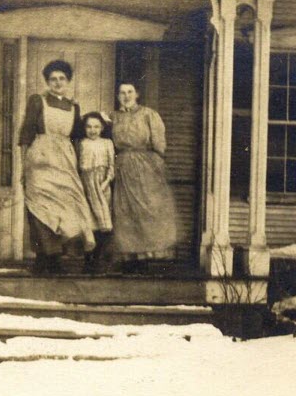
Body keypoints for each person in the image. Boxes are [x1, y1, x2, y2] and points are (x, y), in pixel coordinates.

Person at [18, 59, 95, 275]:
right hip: (40, 159)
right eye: (53, 79)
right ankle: (44, 258)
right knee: (40, 208)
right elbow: (26, 134)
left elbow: (80, 136)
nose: (58, 82)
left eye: (62, 78)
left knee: (66, 207)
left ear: (68, 81)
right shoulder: (37, 101)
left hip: (65, 161)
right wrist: (24, 166)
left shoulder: (74, 107)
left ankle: (59, 255)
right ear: (47, 82)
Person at [111, 82, 177, 273]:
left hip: (145, 166)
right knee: (123, 212)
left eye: (130, 92)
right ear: (117, 96)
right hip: (121, 166)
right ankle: (128, 259)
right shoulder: (112, 117)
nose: (126, 96)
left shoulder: (149, 114)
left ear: (137, 94)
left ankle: (144, 258)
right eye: (122, 92)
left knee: (146, 210)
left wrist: (154, 167)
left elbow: (159, 145)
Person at [78, 112, 115, 273]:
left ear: (102, 128)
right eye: (89, 127)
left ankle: (98, 258)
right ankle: (88, 260)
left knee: (103, 223)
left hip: (102, 185)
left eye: (96, 127)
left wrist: (105, 183)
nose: (92, 130)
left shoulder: (107, 143)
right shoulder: (81, 143)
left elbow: (112, 167)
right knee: (88, 222)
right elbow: (78, 166)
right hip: (85, 184)